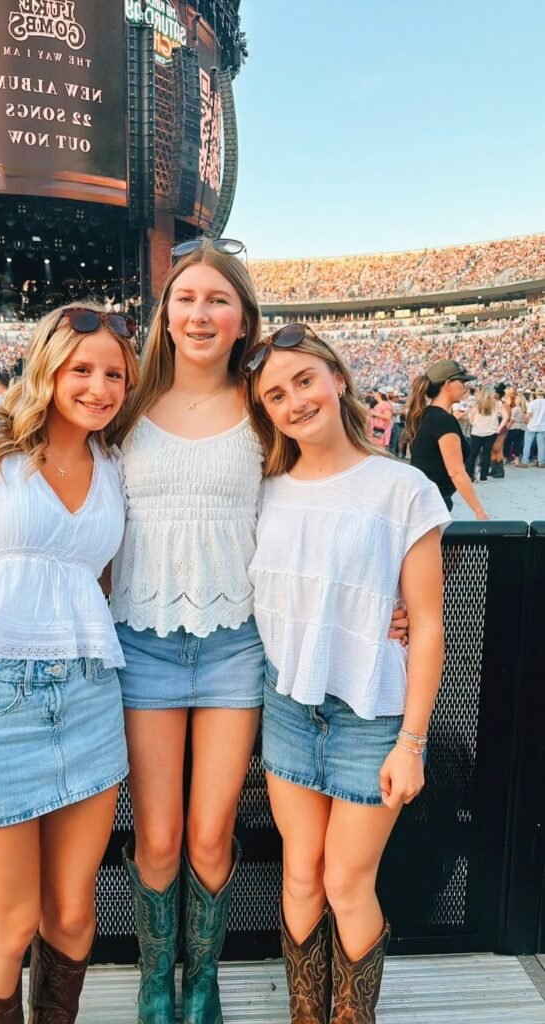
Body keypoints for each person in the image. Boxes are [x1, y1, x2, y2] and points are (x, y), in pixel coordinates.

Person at [108, 239, 407, 1024]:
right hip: (141, 641)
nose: (199, 313)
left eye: (217, 300)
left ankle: (200, 980)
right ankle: (152, 982)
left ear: (243, 318)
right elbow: (66, 486)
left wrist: (384, 597)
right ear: (164, 315)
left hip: (238, 646)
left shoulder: (262, 406)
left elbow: (331, 498)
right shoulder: (127, 400)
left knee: (210, 837)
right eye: (185, 299)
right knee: (160, 838)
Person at [0, 303, 138, 1024]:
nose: (99, 387)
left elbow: (93, 581)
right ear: (46, 365)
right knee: (9, 923)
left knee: (73, 916)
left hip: (89, 697)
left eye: (114, 373)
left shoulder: (112, 462)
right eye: (82, 369)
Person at [244, 324, 449, 1024]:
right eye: (275, 394)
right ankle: (308, 1014)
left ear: (337, 379)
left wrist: (411, 742)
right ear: (265, 411)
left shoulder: (402, 489)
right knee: (299, 876)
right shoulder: (264, 490)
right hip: (288, 711)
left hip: (371, 717)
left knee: (345, 881)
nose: (294, 400)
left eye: (304, 380)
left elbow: (424, 624)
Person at [406, 360, 488, 518]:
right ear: (448, 384)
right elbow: (456, 471)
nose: (464, 387)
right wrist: (479, 511)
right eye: (462, 381)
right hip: (434, 500)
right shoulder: (444, 420)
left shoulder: (425, 414)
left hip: (422, 497)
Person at [466, 386, 507, 483]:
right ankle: (483, 477)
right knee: (486, 453)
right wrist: (499, 428)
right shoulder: (497, 404)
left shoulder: (477, 404)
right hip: (491, 431)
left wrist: (473, 423)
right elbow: (506, 417)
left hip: (477, 431)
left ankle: (469, 475)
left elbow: (471, 417)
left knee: (473, 454)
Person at [515, 386, 545, 467]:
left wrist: (526, 422)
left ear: (536, 394)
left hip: (532, 425)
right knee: (541, 444)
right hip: (542, 426)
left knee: (527, 444)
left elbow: (528, 415)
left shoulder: (532, 403)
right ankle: (541, 462)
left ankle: (525, 461)